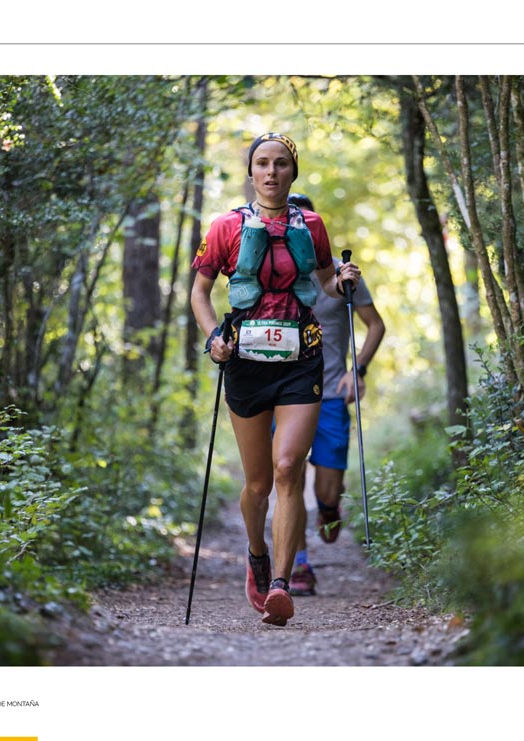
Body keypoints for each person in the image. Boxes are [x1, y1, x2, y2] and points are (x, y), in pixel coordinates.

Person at [190, 133, 361, 626]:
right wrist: (213, 338)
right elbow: (200, 292)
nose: (271, 172)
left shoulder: (312, 225)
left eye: (281, 163)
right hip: (245, 362)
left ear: (293, 171)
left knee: (288, 467)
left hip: (301, 357)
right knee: (258, 483)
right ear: (251, 172)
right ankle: (257, 555)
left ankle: (281, 586)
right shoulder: (225, 227)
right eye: (262, 163)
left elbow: (326, 282)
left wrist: (343, 281)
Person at [284, 193, 386, 596]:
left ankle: (329, 507)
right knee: (288, 477)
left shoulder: (341, 275)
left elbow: (375, 325)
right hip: (283, 394)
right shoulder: (269, 270)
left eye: (308, 223)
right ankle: (299, 565)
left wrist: (357, 369)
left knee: (326, 493)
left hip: (329, 394)